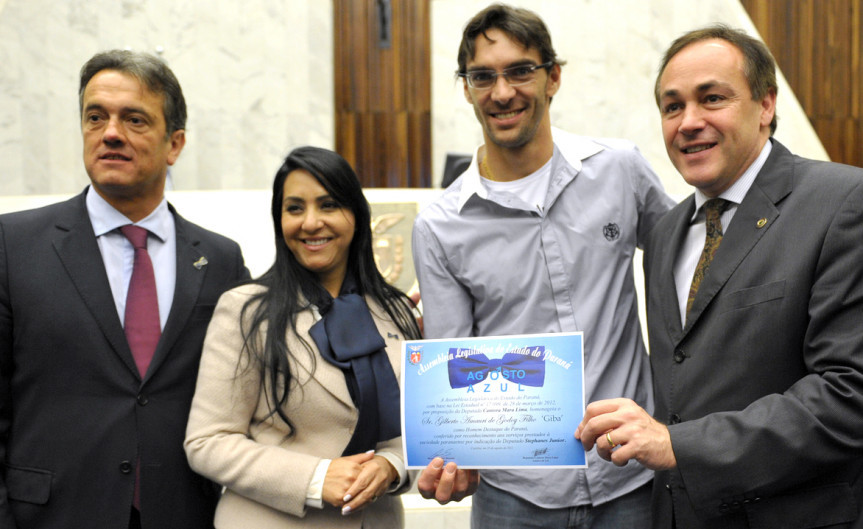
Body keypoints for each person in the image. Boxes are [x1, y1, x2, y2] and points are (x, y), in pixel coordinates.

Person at [575, 25, 863, 528]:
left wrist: (677, 445)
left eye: (712, 98)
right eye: (672, 106)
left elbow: (849, 393)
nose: (688, 122)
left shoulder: (841, 202)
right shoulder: (665, 233)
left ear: (766, 105)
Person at [412, 4, 674, 528]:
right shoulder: (440, 224)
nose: (502, 92)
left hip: (630, 476)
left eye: (520, 71)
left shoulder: (619, 171)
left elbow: (690, 271)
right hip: (515, 496)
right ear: (466, 88)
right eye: (482, 76)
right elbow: (454, 367)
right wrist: (450, 459)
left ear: (553, 77)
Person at [0, 50, 248, 529]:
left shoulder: (220, 260)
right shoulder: (12, 247)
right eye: (96, 117)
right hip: (49, 516)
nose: (110, 133)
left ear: (174, 144)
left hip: (182, 512)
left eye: (134, 119)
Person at [184, 146, 422, 529]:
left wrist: (390, 466)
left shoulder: (396, 312)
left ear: (356, 216)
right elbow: (208, 442)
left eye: (328, 205)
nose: (310, 223)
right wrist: (315, 478)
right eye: (294, 208)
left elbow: (417, 429)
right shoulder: (246, 311)